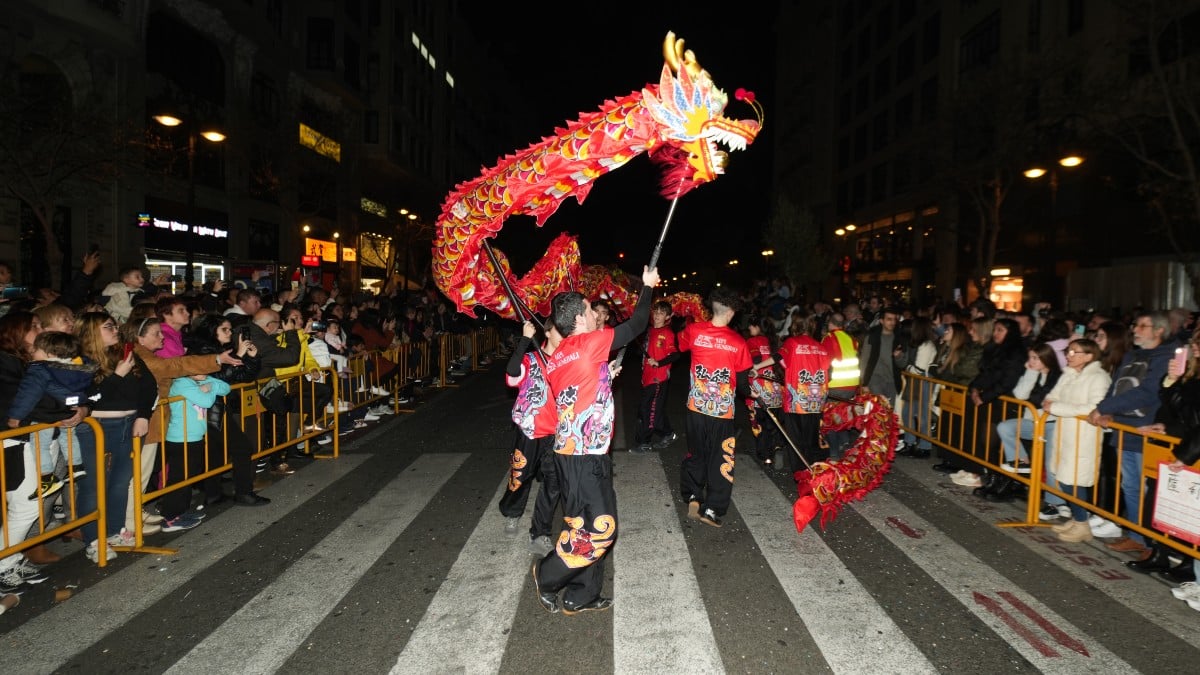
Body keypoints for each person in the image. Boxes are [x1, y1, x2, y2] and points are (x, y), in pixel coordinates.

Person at [531, 265, 658, 616]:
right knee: (602, 528)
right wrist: (646, 287)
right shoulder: (589, 343)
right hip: (585, 456)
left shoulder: (557, 357)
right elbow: (636, 325)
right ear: (580, 319)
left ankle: (581, 594)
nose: (595, 313)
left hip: (571, 453)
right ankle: (548, 573)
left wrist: (605, 374)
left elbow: (576, 391)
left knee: (581, 525)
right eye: (590, 310)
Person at [1087, 311, 1177, 553]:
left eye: (1143, 326)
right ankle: (1137, 535)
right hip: (1124, 429)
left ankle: (1152, 542)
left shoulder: (1165, 356)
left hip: (1147, 430)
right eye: (1136, 325)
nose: (1136, 330)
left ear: (1159, 330)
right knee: (1130, 486)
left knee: (1147, 490)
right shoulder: (1131, 355)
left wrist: (1104, 408)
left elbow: (1149, 392)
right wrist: (1106, 410)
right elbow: (1116, 388)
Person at [74, 312, 157, 562]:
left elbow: (149, 386)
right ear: (91, 332)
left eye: (114, 324)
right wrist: (117, 375)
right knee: (94, 484)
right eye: (108, 326)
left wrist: (143, 416)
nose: (115, 329)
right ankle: (93, 539)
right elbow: (90, 398)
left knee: (121, 480)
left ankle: (112, 531)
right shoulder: (80, 361)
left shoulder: (124, 354)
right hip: (97, 427)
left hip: (130, 424)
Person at [678, 287, 753, 525]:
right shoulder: (738, 342)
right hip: (721, 413)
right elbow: (742, 384)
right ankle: (712, 509)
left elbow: (679, 346)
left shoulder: (694, 331)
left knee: (696, 452)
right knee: (721, 458)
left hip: (696, 408)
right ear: (730, 312)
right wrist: (753, 396)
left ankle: (692, 494)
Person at [184, 314, 271, 507]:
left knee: (215, 452)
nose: (230, 333)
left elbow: (243, 376)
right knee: (242, 448)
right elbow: (218, 377)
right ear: (212, 330)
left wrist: (253, 357)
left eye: (231, 329)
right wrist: (238, 355)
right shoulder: (202, 350)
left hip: (215, 407)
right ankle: (243, 492)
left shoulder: (221, 350)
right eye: (225, 329)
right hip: (207, 408)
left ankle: (214, 494)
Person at [6, 331, 96, 503]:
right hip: (70, 409)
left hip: (45, 415)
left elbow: (28, 394)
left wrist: (15, 416)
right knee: (68, 435)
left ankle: (47, 477)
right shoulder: (78, 368)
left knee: (39, 444)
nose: (32, 353)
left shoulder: (39, 369)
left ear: (49, 354)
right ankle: (75, 466)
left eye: (36, 349)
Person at [498, 319, 560, 557]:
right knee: (520, 476)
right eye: (558, 330)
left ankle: (541, 532)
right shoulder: (531, 359)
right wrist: (524, 340)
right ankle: (512, 513)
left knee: (553, 484)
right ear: (546, 332)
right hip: (529, 430)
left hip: (556, 432)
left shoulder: (566, 360)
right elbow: (512, 373)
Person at [1043, 339, 1112, 543]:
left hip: (1084, 436)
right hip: (1065, 433)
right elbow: (1050, 398)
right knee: (1064, 478)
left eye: (1074, 352)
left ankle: (1083, 523)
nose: (1068, 355)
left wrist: (1058, 408)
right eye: (1068, 351)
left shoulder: (1099, 378)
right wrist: (1054, 405)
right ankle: (1077, 518)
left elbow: (1094, 407)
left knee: (1074, 480)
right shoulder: (1069, 374)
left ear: (1089, 356)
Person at [985, 342, 1063, 504]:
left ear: (1046, 358)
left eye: (1035, 358)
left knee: (1050, 464)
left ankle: (1054, 503)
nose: (1031, 361)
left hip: (1053, 424)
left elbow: (1040, 399)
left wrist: (1036, 399)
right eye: (1030, 358)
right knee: (1005, 427)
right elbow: (1020, 395)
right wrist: (1030, 372)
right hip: (1033, 421)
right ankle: (1021, 461)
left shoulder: (1058, 375)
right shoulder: (1032, 372)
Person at [633, 301, 680, 453]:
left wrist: (659, 363)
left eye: (661, 313)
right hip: (647, 377)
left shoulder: (667, 333)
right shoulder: (650, 330)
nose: (657, 315)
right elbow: (644, 352)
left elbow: (675, 355)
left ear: (667, 316)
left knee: (647, 410)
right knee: (655, 411)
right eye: (655, 312)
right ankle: (668, 433)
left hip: (658, 379)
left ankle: (644, 442)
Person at [744, 316, 784, 466]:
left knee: (759, 425)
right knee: (773, 424)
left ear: (757, 327)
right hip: (776, 390)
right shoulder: (775, 342)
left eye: (751, 326)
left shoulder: (753, 341)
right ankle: (777, 447)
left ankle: (765, 455)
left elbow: (756, 360)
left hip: (759, 390)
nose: (749, 329)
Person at [897, 316, 938, 458]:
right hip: (916, 382)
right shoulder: (919, 345)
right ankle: (910, 442)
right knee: (908, 413)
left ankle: (924, 446)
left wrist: (908, 367)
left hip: (923, 382)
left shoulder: (926, 345)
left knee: (922, 415)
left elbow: (918, 369)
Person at [859, 307, 902, 407]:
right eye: (889, 319)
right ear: (881, 321)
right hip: (875, 379)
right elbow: (864, 360)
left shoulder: (898, 338)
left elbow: (902, 363)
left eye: (894, 319)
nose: (892, 322)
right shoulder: (872, 337)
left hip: (892, 381)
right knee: (878, 412)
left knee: (890, 413)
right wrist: (864, 383)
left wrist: (899, 356)